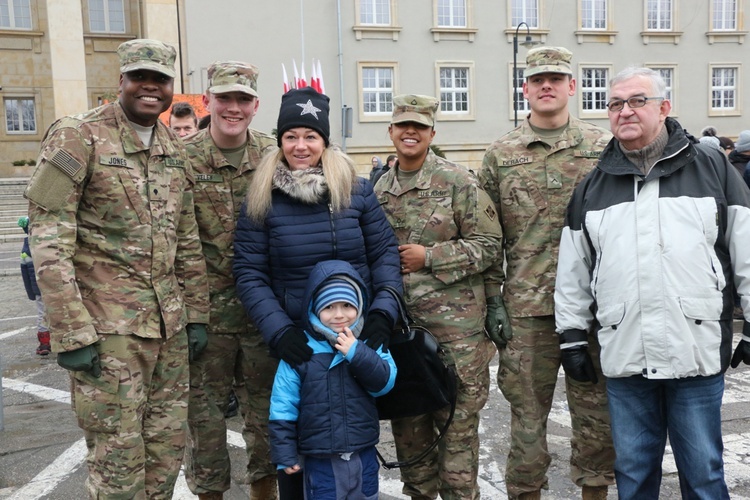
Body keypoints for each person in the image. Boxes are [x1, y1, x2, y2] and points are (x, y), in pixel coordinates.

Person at [24, 39, 210, 499]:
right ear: (121, 81)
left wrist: (198, 315)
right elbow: (49, 237)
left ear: (171, 88)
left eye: (161, 80)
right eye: (140, 77)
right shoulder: (77, 135)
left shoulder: (171, 146)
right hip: (107, 334)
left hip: (168, 330)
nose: (150, 87)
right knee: (118, 464)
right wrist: (70, 332)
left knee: (166, 456)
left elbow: (186, 239)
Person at [554, 66, 750, 499]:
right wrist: (570, 336)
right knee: (634, 474)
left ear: (664, 108)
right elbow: (574, 269)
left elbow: (745, 247)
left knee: (703, 474)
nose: (625, 111)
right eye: (615, 103)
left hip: (694, 349)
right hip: (626, 353)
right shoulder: (592, 186)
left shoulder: (712, 166)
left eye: (637, 101)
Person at [232, 86, 403, 498]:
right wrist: (279, 332)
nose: (301, 145)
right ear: (280, 141)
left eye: (310, 136)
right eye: (291, 136)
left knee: (352, 433)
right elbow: (249, 272)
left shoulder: (356, 191)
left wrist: (383, 312)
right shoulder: (263, 197)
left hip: (353, 335)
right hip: (297, 343)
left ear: (325, 141)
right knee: (293, 436)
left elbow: (384, 255)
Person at [479, 46, 615, 500]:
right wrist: (492, 298)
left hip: (595, 308)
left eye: (556, 78)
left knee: (597, 417)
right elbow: (487, 233)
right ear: (526, 89)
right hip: (527, 309)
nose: (546, 86)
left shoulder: (603, 148)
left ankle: (594, 492)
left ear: (572, 87)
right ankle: (526, 493)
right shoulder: (500, 154)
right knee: (527, 419)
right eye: (537, 79)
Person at [374, 94, 502, 499]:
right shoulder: (378, 190)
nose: (410, 132)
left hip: (456, 339)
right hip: (403, 336)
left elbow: (489, 245)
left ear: (432, 133)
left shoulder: (459, 182)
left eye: (419, 126)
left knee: (458, 452)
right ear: (391, 132)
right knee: (412, 448)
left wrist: (430, 256)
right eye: (402, 126)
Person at [183, 61, 278, 500]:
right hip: (207, 319)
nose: (233, 108)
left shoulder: (275, 155)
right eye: (225, 98)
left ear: (256, 105)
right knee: (205, 424)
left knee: (268, 421)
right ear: (208, 101)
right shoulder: (181, 157)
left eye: (243, 99)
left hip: (264, 316)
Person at [269, 259, 396, 499]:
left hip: (363, 454)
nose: (339, 315)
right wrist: (284, 454)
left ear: (360, 305)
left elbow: (384, 383)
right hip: (321, 461)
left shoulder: (369, 343)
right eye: (329, 307)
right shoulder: (301, 351)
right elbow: (282, 407)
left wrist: (357, 353)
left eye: (347, 305)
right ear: (314, 309)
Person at [17, 215, 50, 356]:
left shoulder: (25, 251)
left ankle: (44, 344)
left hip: (38, 289)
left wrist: (31, 293)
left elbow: (25, 276)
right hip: (54, 286)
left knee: (42, 315)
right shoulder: (46, 244)